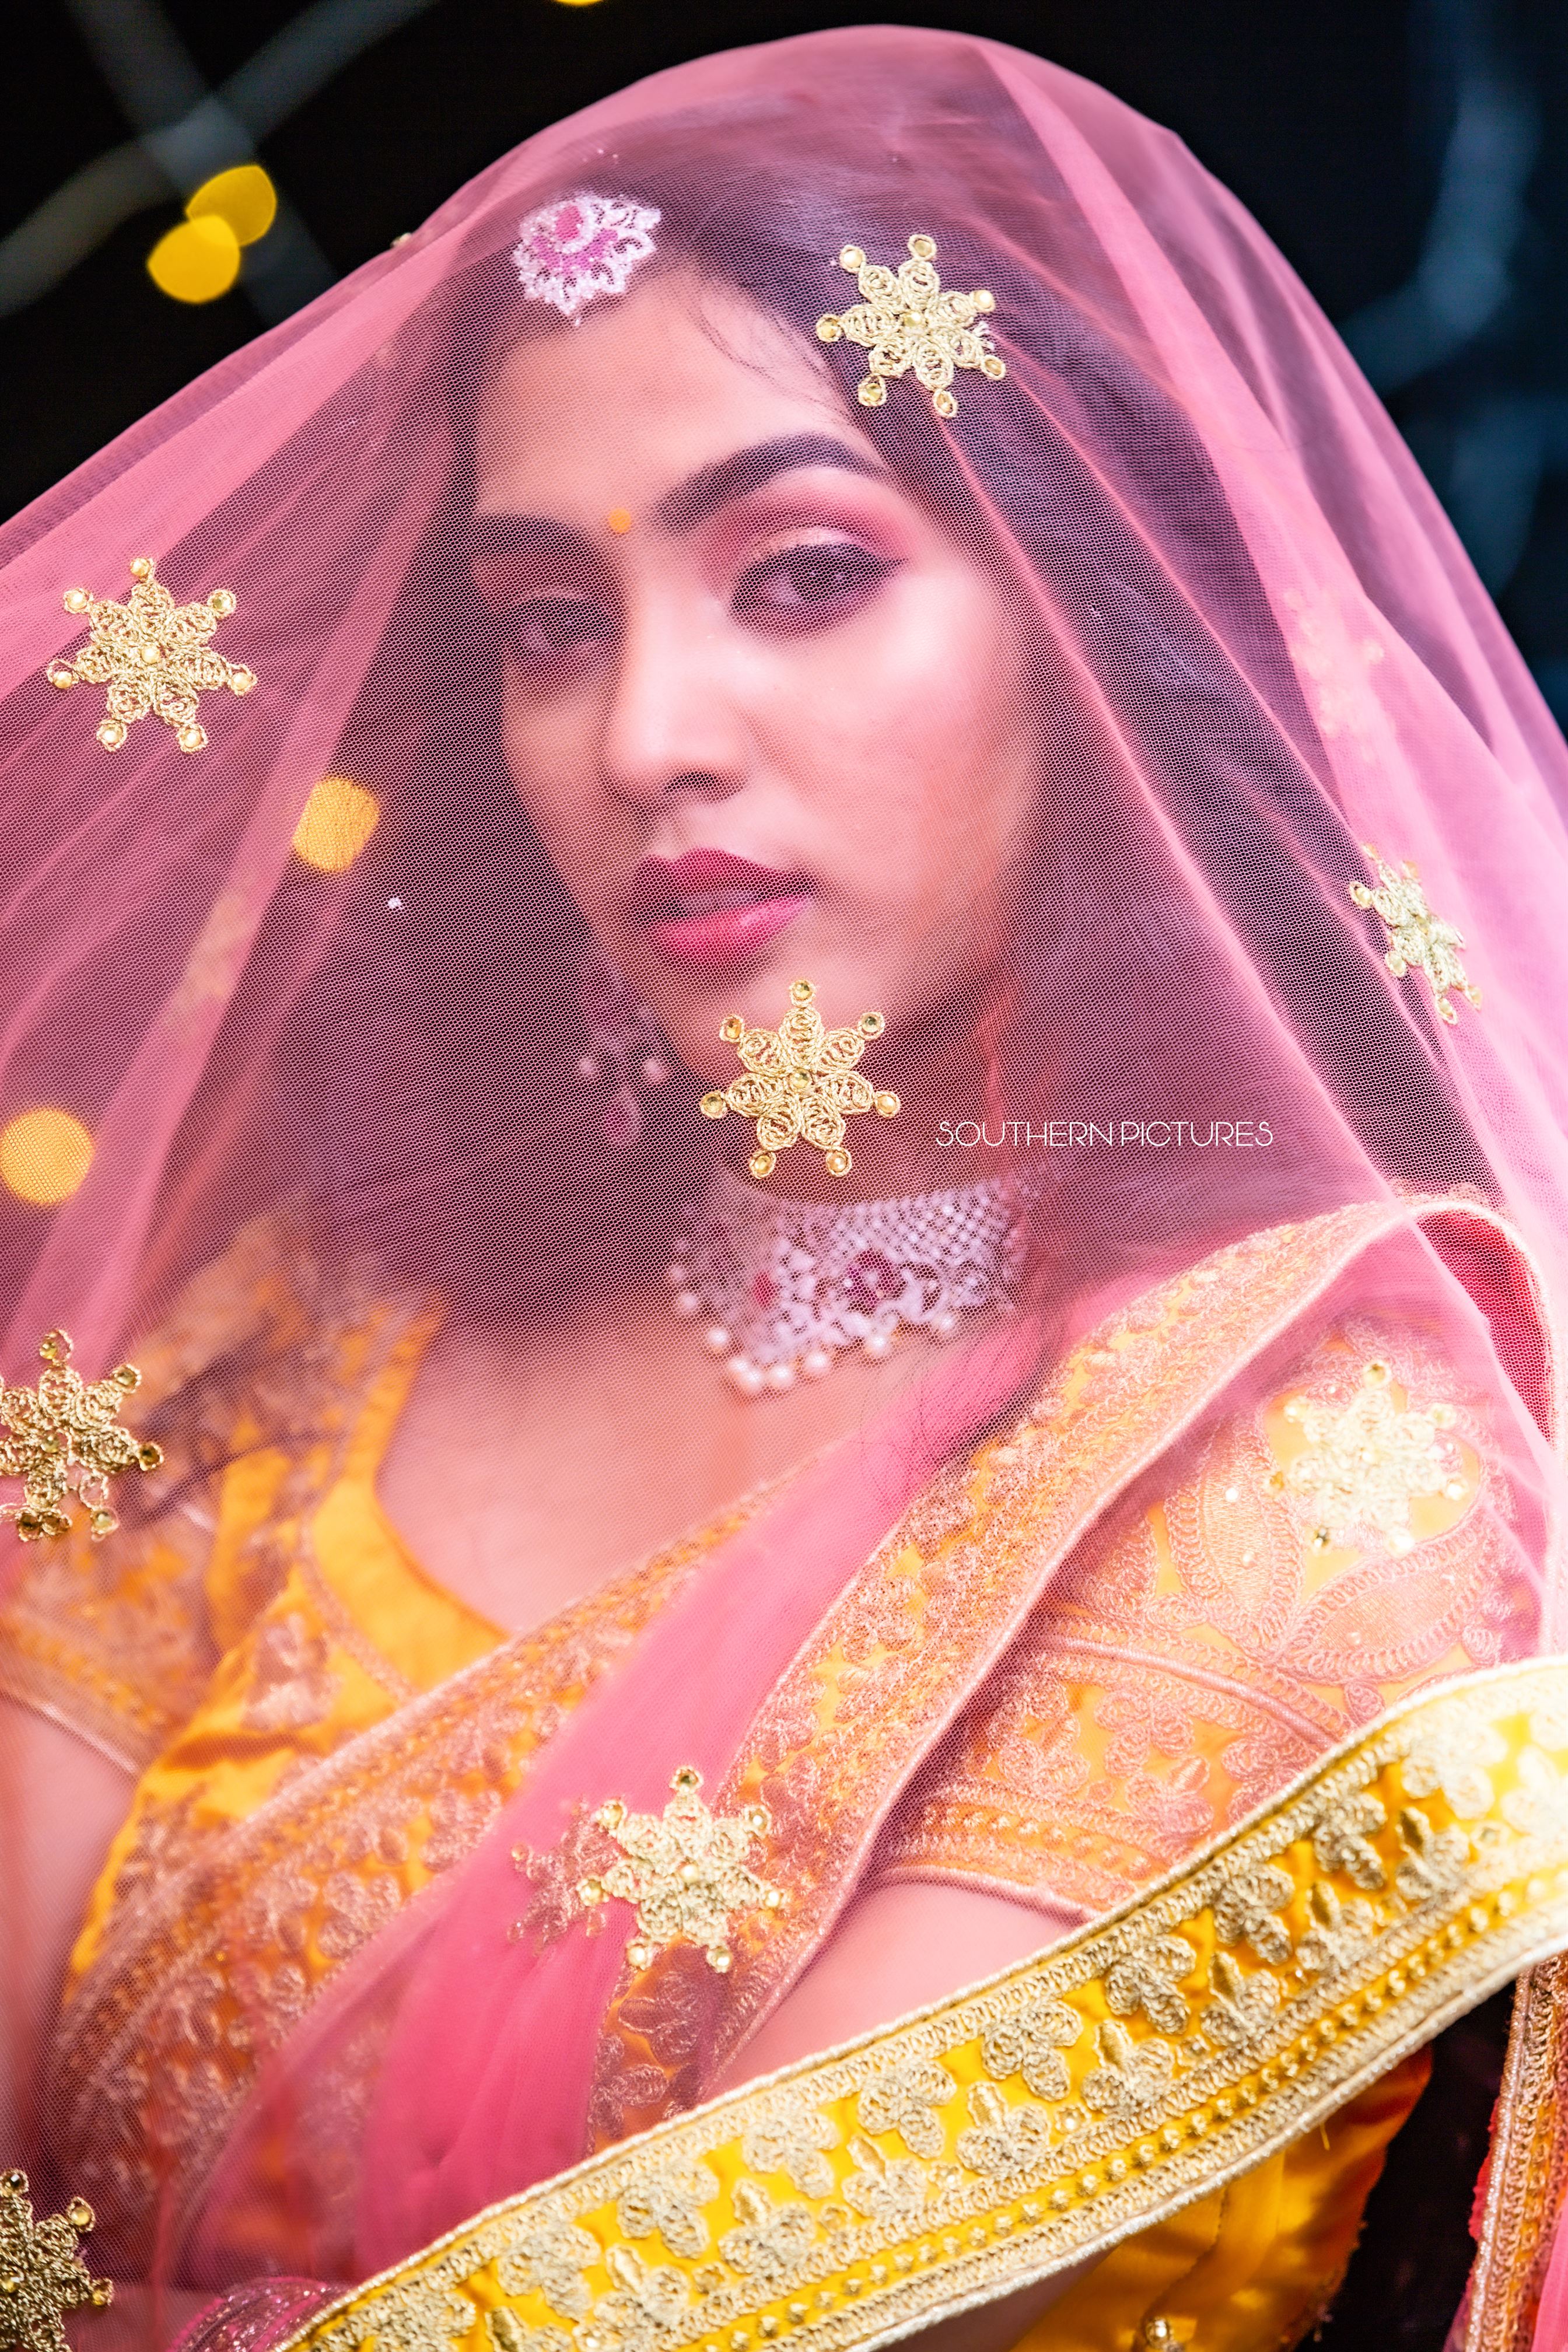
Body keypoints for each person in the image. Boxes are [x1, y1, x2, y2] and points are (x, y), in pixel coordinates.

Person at [4, 26, 1568, 2352]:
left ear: (1086, 621)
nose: (647, 738)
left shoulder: (1311, 1453)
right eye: (551, 624)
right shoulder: (311, 1326)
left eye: (807, 574)